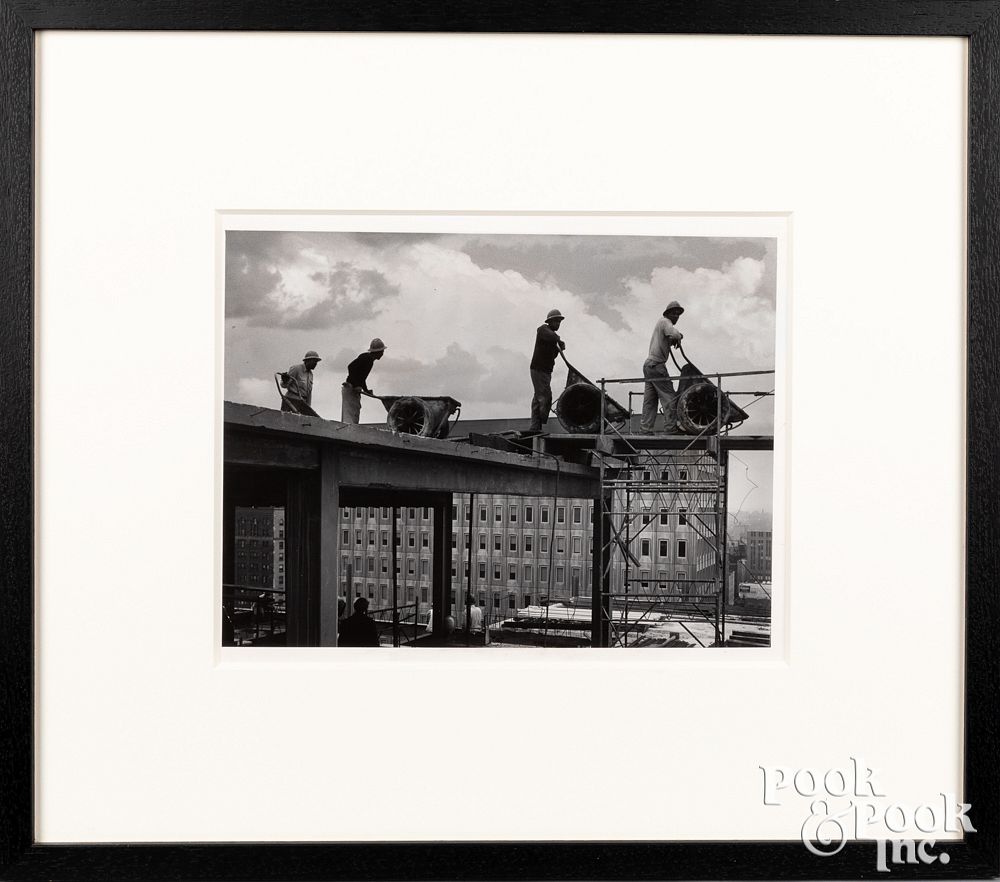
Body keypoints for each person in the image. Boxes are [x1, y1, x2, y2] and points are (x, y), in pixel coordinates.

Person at [641, 301, 684, 434]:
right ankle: (671, 428)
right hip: (657, 365)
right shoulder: (665, 322)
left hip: (649, 365)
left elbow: (666, 339)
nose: (677, 316)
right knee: (669, 397)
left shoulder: (661, 325)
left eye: (678, 314)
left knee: (650, 400)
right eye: (675, 313)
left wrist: (671, 342)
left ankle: (645, 430)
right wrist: (680, 336)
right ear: (669, 314)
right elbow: (675, 333)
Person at [528, 309, 566, 433]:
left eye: (559, 322)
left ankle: (535, 426)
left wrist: (559, 347)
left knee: (538, 397)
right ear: (550, 322)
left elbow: (552, 354)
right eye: (556, 321)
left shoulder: (551, 339)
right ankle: (537, 425)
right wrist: (559, 340)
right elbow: (552, 336)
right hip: (538, 369)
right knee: (545, 396)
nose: (558, 324)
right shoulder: (543, 330)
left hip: (545, 371)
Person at [342, 338, 386, 424]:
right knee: (350, 415)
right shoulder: (367, 358)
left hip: (353, 389)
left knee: (355, 413)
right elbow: (350, 367)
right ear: (378, 352)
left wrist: (366, 390)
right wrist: (356, 385)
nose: (383, 353)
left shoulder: (369, 360)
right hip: (350, 388)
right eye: (382, 351)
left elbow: (362, 379)